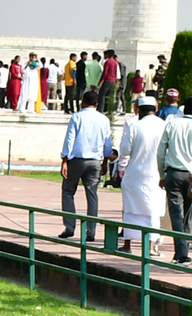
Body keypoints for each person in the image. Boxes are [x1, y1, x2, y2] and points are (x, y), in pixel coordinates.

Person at [156, 96, 192, 263]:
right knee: (189, 214)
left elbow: (160, 153)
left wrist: (161, 175)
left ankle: (181, 252)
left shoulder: (172, 124)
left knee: (176, 214)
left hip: (173, 173)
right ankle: (185, 246)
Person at [115, 96, 165, 253]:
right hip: (156, 174)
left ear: (139, 110)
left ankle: (127, 245)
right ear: (155, 109)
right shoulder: (164, 125)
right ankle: (151, 246)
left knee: (130, 210)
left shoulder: (134, 125)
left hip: (135, 174)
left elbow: (124, 150)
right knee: (153, 211)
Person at [58, 89, 111, 240]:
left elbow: (70, 139)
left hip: (77, 159)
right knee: (92, 195)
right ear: (96, 103)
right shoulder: (103, 119)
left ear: (83, 102)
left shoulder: (77, 117)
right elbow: (107, 144)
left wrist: (64, 159)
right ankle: (90, 231)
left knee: (68, 191)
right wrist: (105, 161)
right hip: (95, 161)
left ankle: (69, 226)